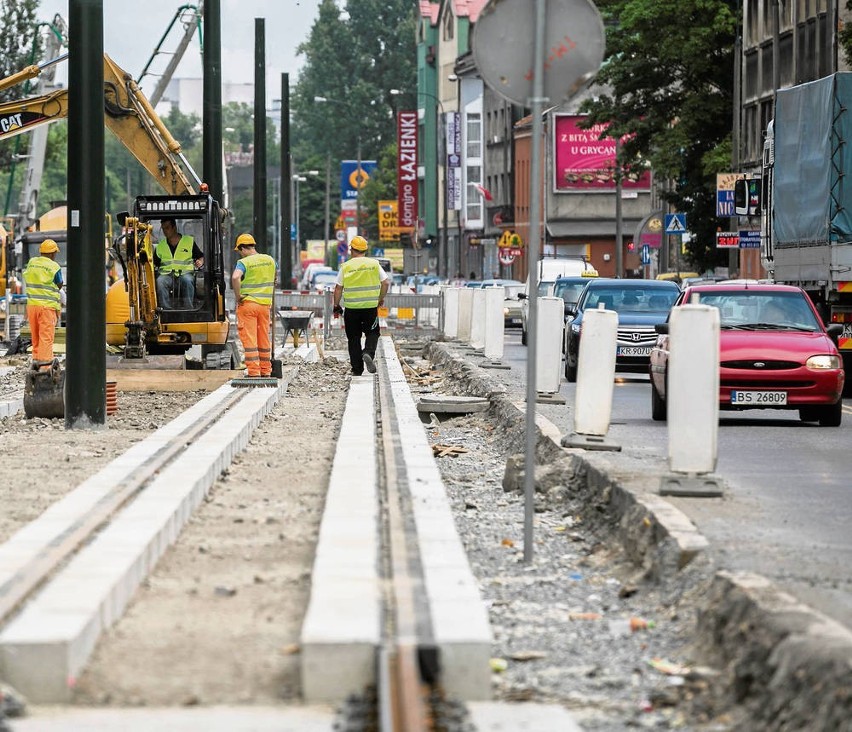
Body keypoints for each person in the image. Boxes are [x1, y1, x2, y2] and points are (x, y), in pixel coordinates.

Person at [332, 235, 389, 376]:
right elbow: (385, 282)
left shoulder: (346, 266)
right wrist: (380, 298)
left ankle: (357, 369)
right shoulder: (374, 264)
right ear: (365, 249)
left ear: (352, 250)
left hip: (351, 309)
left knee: (353, 338)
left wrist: (336, 305)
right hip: (370, 307)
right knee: (373, 333)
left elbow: (338, 288)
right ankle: (368, 352)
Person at [231, 232, 277, 378]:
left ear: (243, 248)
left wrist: (238, 296)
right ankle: (266, 370)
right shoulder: (270, 260)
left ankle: (254, 372)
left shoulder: (244, 262)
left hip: (248, 305)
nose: (240, 255)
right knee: (263, 338)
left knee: (250, 339)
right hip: (264, 306)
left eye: (239, 252)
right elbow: (275, 279)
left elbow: (235, 277)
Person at [23, 239, 63, 368]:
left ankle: (36, 364)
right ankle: (45, 369)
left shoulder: (32, 263)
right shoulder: (54, 267)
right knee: (46, 337)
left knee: (35, 338)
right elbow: (59, 284)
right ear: (52, 254)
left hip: (32, 306)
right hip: (47, 307)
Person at [154, 217, 204, 308]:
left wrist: (200, 261)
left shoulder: (189, 242)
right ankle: (166, 310)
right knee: (160, 281)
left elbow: (201, 256)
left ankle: (188, 309)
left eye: (167, 228)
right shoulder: (160, 246)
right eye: (163, 228)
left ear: (174, 227)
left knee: (188, 280)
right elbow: (154, 263)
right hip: (167, 276)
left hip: (185, 274)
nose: (165, 231)